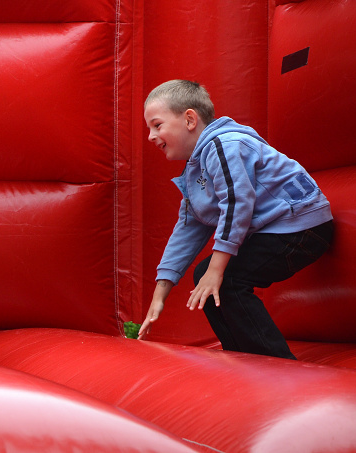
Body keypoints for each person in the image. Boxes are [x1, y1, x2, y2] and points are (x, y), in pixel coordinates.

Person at [138, 79, 333, 359]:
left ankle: (276, 364)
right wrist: (159, 295)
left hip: (301, 224)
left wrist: (217, 269)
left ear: (190, 119)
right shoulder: (197, 169)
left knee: (226, 279)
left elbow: (237, 203)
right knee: (204, 276)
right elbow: (188, 229)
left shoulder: (223, 145)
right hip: (280, 229)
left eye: (157, 125)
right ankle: (241, 359)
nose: (151, 136)